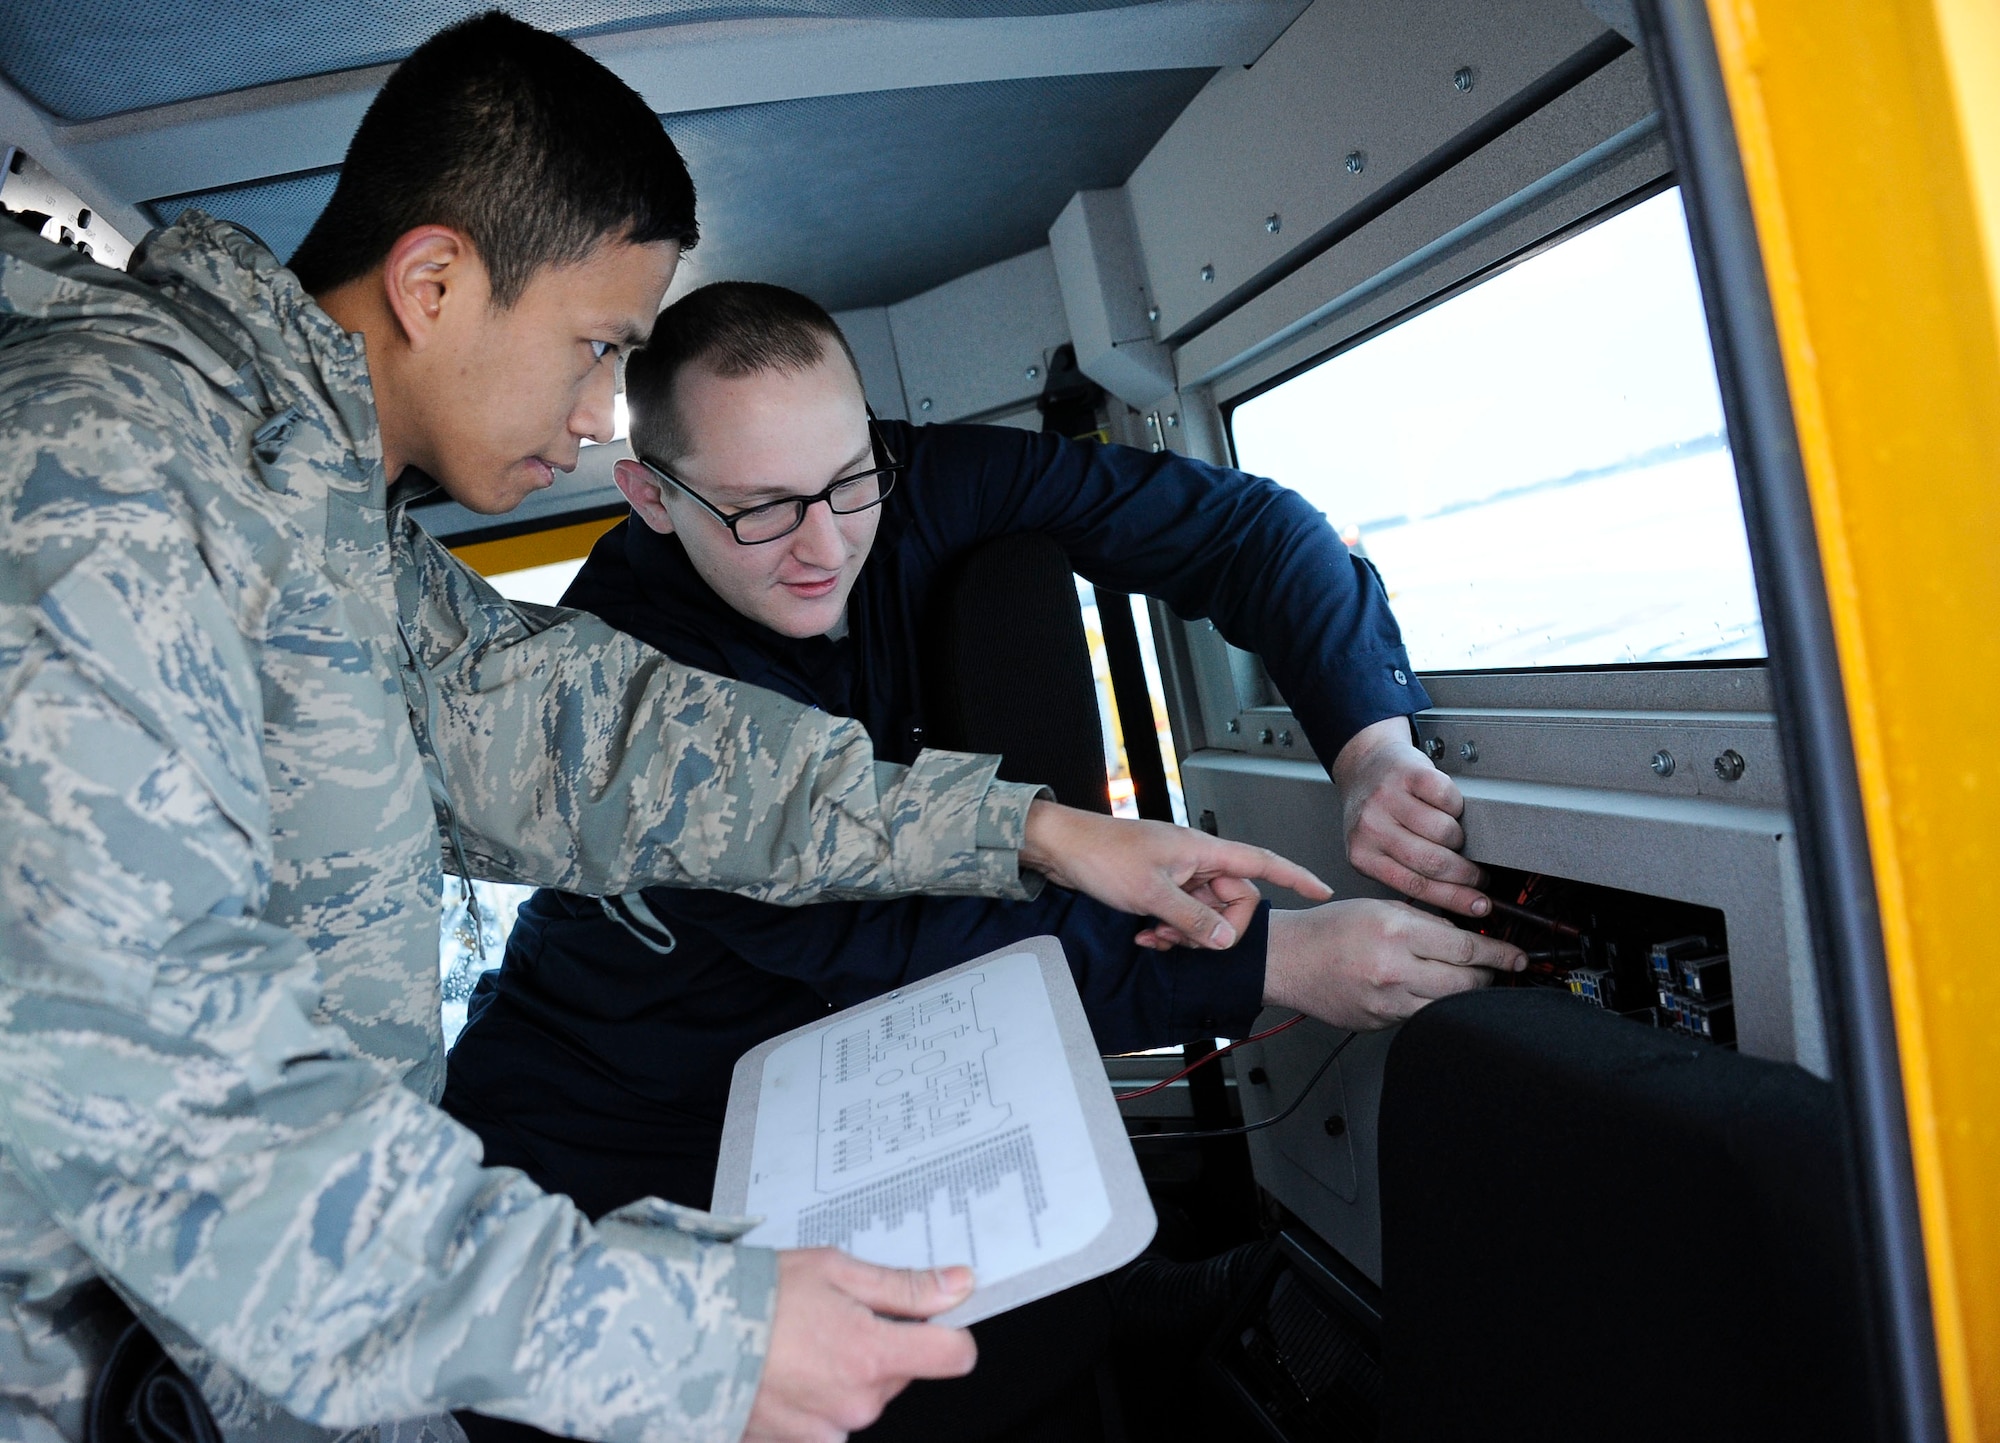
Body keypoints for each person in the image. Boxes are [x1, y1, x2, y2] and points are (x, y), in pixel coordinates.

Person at [0, 17, 1334, 1443]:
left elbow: (597, 740)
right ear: (434, 280)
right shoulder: (98, 474)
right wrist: (695, 1333)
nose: (592, 419)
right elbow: (164, 1103)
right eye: (596, 348)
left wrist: (1029, 824)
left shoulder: (311, 504)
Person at [441, 282, 1523, 1439]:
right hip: (609, 1120)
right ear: (651, 496)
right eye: (761, 509)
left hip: (841, 1076)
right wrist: (1268, 961)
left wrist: (1365, 747)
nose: (824, 543)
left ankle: (1130, 1314)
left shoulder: (910, 480)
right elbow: (866, 935)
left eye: (848, 482)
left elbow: (1244, 528)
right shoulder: (621, 673)